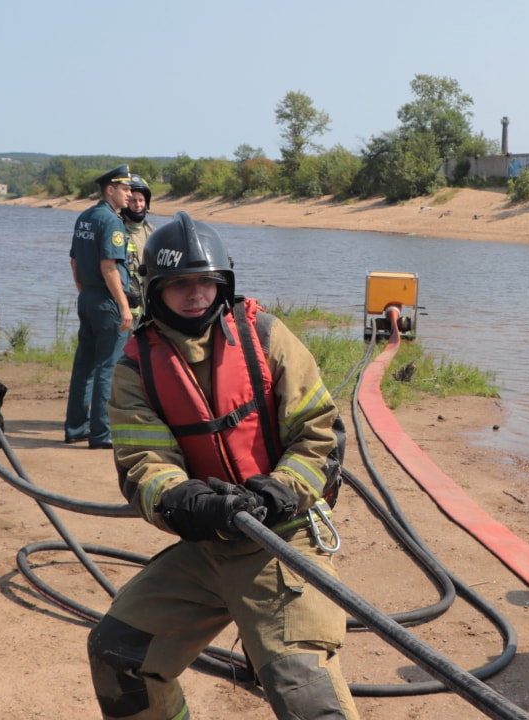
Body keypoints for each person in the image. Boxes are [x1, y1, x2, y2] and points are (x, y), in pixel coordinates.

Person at [87, 212, 357, 720]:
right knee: (117, 655)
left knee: (303, 688)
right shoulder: (135, 368)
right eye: (180, 284)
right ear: (154, 289)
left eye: (207, 282)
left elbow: (320, 434)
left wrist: (279, 491)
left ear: (224, 283)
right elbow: (144, 462)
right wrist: (185, 501)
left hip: (283, 540)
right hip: (207, 545)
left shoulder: (267, 337)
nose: (196, 295)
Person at [65, 165, 134, 449]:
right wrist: (124, 306)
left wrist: (84, 290)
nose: (130, 194)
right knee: (108, 367)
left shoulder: (85, 216)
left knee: (84, 366)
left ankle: (76, 428)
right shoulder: (111, 221)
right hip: (107, 300)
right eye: (125, 189)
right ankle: (101, 433)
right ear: (110, 190)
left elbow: (73, 261)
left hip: (89, 297)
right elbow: (109, 268)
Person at [120, 173, 156, 321]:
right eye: (133, 200)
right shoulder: (117, 230)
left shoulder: (153, 232)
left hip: (149, 306)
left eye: (141, 200)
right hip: (125, 307)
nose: (138, 204)